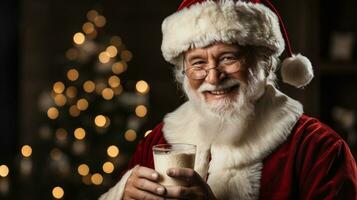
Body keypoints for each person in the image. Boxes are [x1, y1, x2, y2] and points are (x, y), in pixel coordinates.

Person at [101, 0, 357, 199]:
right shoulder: (159, 142)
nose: (212, 77)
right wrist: (123, 193)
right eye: (198, 63)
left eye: (228, 58)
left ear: (265, 64)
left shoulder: (319, 149)